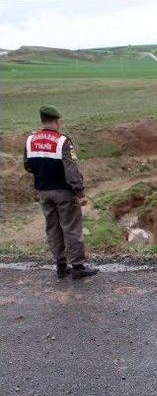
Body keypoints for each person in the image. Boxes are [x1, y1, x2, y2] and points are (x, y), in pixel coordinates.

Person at [23, 105, 99, 280]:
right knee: (71, 228)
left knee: (53, 229)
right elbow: (71, 171)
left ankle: (61, 266)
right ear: (57, 121)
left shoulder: (30, 140)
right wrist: (80, 193)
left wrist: (43, 174)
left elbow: (27, 166)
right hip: (63, 192)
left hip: (43, 192)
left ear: (42, 120)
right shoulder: (62, 141)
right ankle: (78, 267)